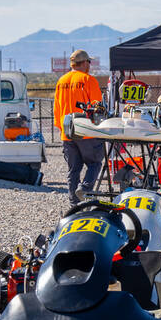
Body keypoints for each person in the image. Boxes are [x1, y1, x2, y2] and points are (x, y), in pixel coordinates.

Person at [53, 49, 104, 204]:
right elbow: (97, 108)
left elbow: (56, 109)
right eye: (89, 62)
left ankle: (74, 205)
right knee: (95, 163)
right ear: (85, 63)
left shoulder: (61, 81)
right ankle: (85, 188)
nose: (90, 65)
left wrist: (62, 129)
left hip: (67, 132)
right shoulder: (88, 80)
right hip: (86, 131)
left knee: (73, 170)